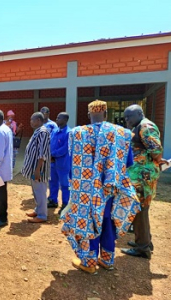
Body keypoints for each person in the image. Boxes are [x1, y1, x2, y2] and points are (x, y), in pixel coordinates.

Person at [61, 100, 140, 274]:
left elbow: (71, 165)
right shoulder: (121, 133)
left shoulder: (77, 133)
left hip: (85, 191)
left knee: (88, 223)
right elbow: (127, 163)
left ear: (89, 115)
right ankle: (107, 260)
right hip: (109, 190)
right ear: (105, 115)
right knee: (108, 222)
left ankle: (89, 263)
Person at [121, 105, 168, 259]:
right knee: (139, 209)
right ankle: (144, 241)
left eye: (129, 116)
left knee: (140, 210)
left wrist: (151, 164)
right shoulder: (139, 126)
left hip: (143, 176)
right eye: (125, 117)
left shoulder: (145, 126)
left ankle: (143, 248)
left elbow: (156, 151)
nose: (127, 119)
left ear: (139, 114)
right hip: (139, 175)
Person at [21, 112, 51, 223]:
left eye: (32, 120)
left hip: (39, 169)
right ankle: (38, 210)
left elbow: (42, 154)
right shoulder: (38, 131)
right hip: (34, 168)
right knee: (36, 190)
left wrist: (38, 170)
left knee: (40, 191)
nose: (30, 122)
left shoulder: (43, 132)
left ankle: (42, 216)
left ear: (38, 120)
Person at [47, 112, 72, 214]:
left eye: (59, 118)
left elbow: (65, 148)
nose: (56, 119)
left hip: (63, 163)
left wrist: (53, 154)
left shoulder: (68, 133)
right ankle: (53, 200)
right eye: (57, 117)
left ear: (65, 120)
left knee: (65, 185)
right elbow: (50, 143)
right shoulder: (55, 131)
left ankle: (65, 204)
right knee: (52, 182)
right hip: (52, 162)